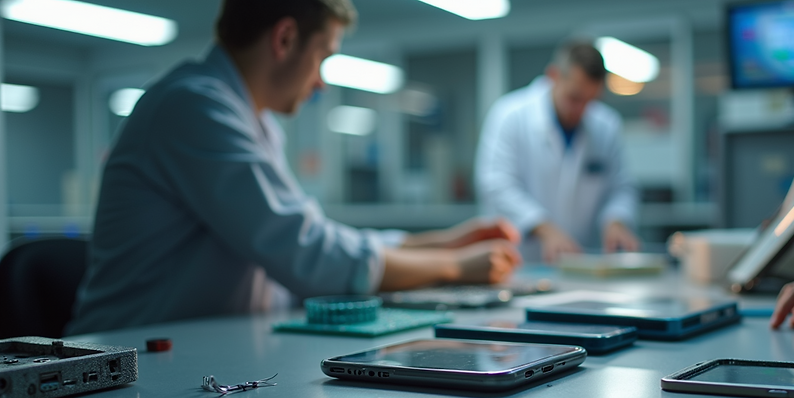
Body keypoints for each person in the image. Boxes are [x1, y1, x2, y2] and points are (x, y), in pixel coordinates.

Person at [68, 0, 521, 335]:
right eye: (323, 57)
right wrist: (454, 266)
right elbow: (308, 255)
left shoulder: (252, 119)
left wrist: (443, 240)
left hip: (196, 351)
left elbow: (310, 237)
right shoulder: (194, 106)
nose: (322, 82)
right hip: (125, 364)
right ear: (285, 40)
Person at [475, 39, 640, 264]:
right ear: (553, 76)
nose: (581, 109)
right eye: (574, 98)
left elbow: (621, 187)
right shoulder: (510, 115)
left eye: (590, 101)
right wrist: (544, 228)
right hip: (522, 259)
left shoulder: (606, 124)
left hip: (581, 260)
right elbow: (496, 184)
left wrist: (616, 221)